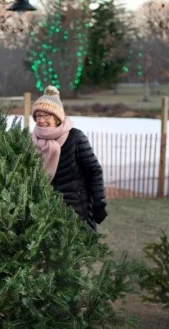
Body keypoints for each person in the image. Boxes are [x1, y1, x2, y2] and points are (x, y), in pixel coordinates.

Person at [31, 85, 107, 231]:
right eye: (38, 116)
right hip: (45, 216)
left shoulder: (75, 138)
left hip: (77, 214)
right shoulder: (32, 142)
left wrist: (99, 203)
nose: (41, 120)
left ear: (57, 117)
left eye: (46, 115)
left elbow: (94, 171)